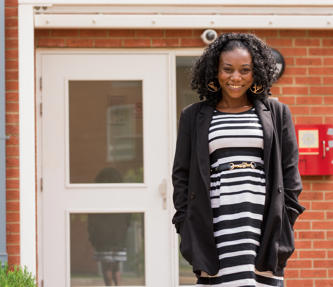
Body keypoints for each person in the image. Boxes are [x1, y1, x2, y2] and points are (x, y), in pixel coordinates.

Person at [172, 32, 305, 286]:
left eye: (245, 70)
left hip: (263, 227)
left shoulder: (277, 113)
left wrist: (284, 220)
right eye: (228, 69)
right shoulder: (193, 116)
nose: (236, 77)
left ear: (256, 73)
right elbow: (181, 175)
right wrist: (185, 224)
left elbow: (290, 175)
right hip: (214, 227)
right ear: (215, 71)